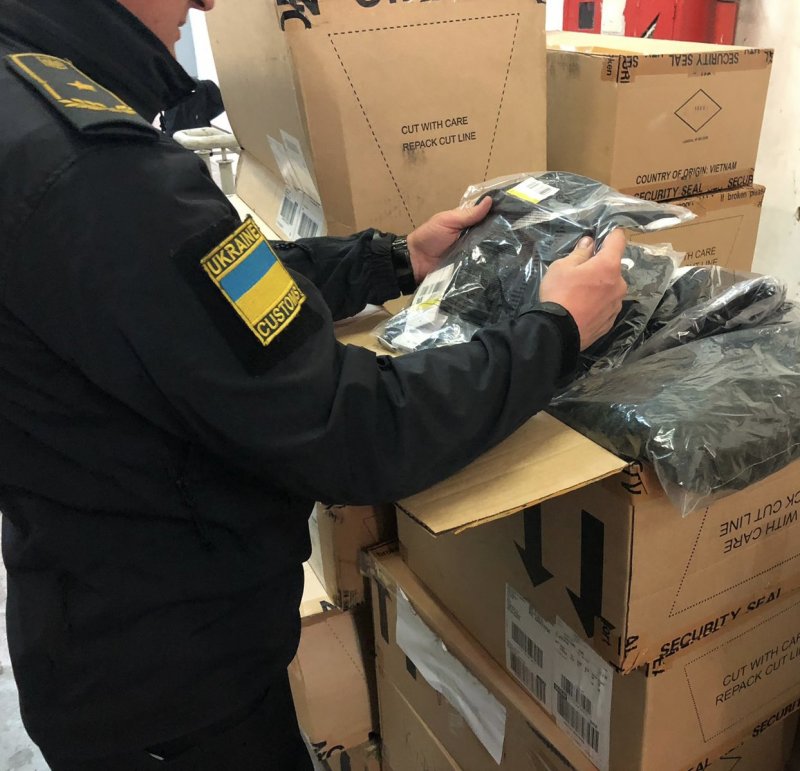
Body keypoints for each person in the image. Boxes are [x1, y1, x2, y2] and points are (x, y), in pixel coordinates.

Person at [0, 0, 627, 768]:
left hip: (106, 626)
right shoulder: (92, 170)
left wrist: (392, 261)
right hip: (170, 690)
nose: (204, 3)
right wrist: (557, 330)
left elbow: (207, 292)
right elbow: (355, 430)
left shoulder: (31, 111)